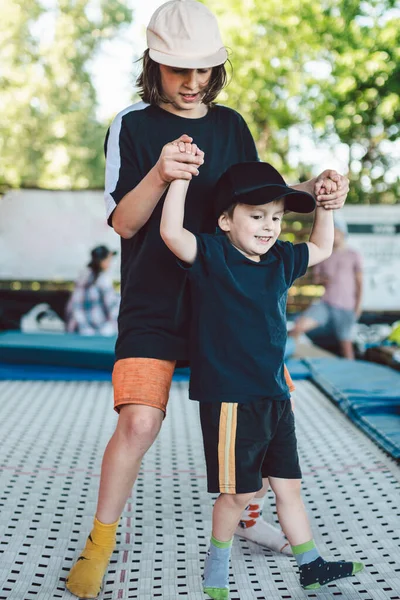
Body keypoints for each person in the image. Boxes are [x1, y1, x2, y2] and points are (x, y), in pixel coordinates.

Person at [65, 1, 350, 597]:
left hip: (229, 308)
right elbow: (123, 223)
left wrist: (312, 189)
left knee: (272, 415)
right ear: (154, 65)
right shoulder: (132, 125)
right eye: (179, 70)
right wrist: (162, 174)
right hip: (154, 304)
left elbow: (257, 196)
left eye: (203, 71)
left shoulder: (231, 126)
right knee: (139, 423)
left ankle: (244, 514)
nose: (193, 83)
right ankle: (100, 539)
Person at [160, 158, 364, 599]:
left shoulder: (280, 259)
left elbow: (322, 247)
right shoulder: (213, 255)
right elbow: (171, 234)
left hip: (275, 394)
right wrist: (177, 180)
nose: (269, 225)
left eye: (276, 216)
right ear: (225, 221)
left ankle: (310, 563)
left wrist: (324, 206)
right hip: (232, 398)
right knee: (240, 493)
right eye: (256, 216)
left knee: (288, 485)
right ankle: (216, 564)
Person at [290, 216, 363, 359]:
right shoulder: (324, 254)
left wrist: (358, 307)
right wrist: (323, 279)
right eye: (332, 232)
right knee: (298, 327)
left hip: (346, 306)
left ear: (343, 233)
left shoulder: (353, 254)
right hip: (326, 303)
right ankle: (289, 357)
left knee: (346, 345)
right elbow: (316, 279)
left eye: (337, 232)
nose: (334, 235)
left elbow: (360, 283)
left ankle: (352, 373)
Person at [66, 245, 120, 336]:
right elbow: (112, 308)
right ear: (103, 261)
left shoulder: (82, 276)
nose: (110, 263)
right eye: (109, 259)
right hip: (99, 333)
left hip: (79, 330)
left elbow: (72, 306)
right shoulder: (103, 280)